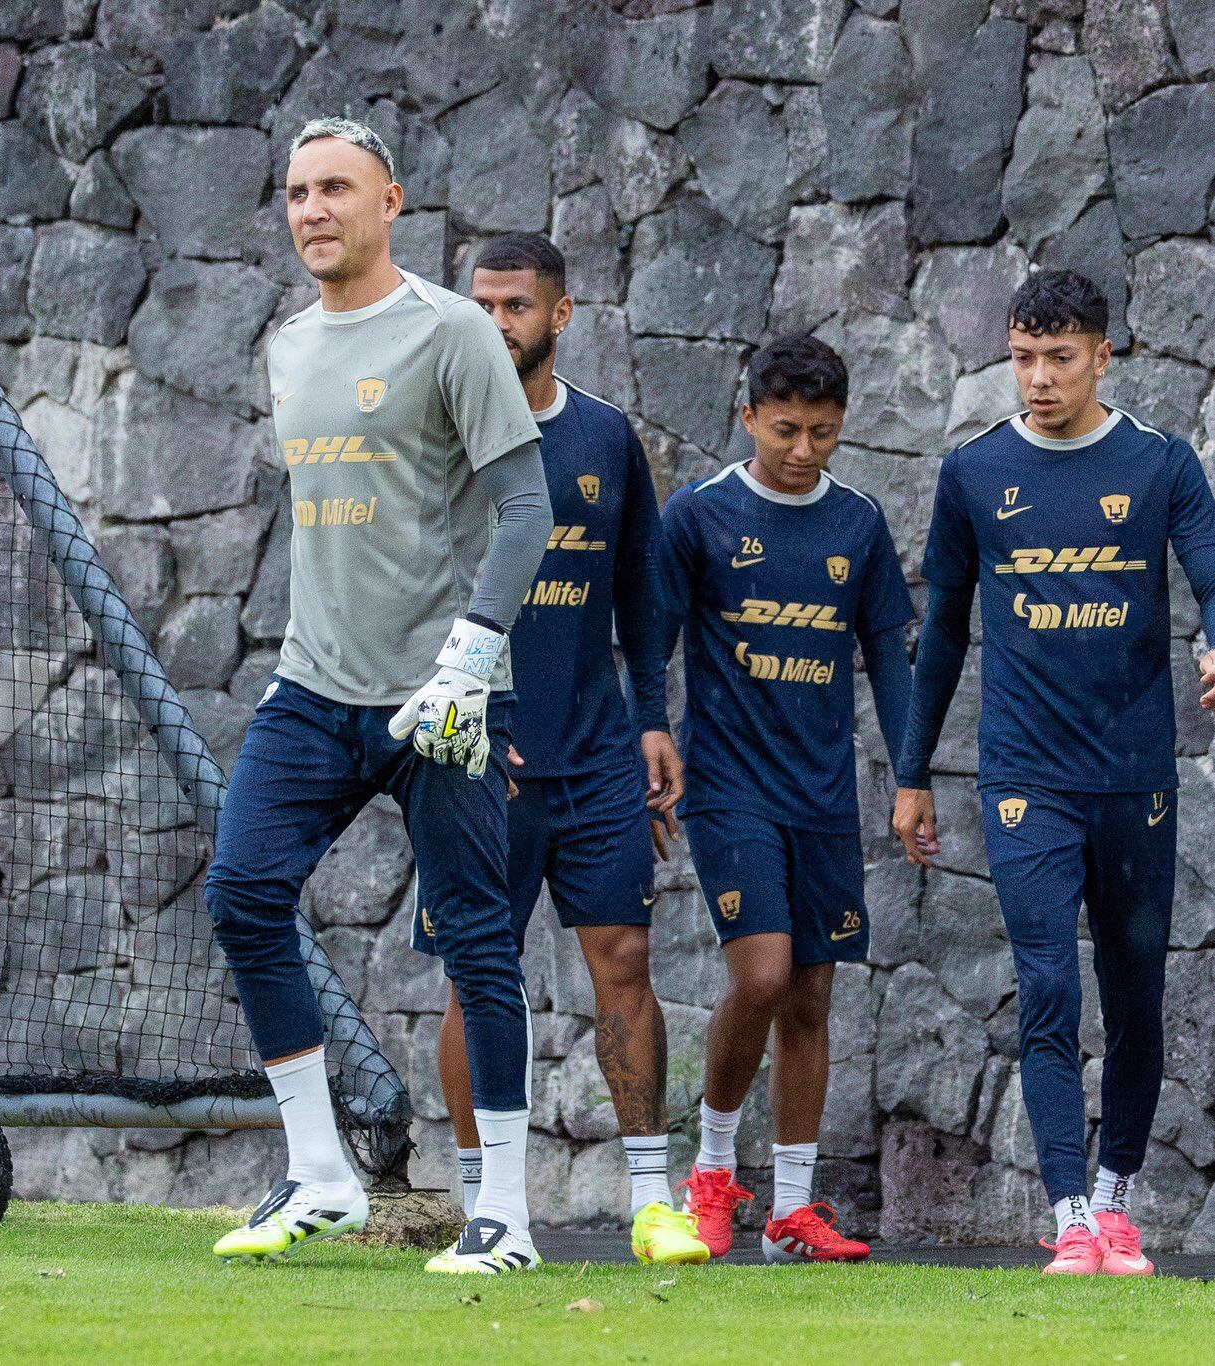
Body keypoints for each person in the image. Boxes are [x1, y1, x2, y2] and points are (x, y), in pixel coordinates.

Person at [204, 118, 552, 1274]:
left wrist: (472, 656)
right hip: (312, 688)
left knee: (477, 945)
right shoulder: (289, 346)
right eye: (297, 191)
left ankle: (504, 1214)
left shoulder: (453, 332)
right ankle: (319, 1174)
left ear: (389, 201)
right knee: (242, 893)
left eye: (336, 188)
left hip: (439, 698)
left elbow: (524, 511)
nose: (313, 209)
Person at [892, 270, 1215, 1277]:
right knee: (1047, 984)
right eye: (1022, 358)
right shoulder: (974, 473)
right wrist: (913, 772)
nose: (1039, 378)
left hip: (1133, 777)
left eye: (1059, 358)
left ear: (1102, 355)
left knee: (1135, 998)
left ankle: (1116, 1200)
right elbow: (942, 636)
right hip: (1024, 777)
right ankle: (1069, 1215)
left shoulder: (1158, 463)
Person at [422, 231, 708, 1266]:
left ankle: (652, 1201)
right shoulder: (438, 428)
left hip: (593, 755)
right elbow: (407, 583)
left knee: (625, 959)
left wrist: (651, 719)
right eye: (482, 305)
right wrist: (447, 724)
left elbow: (640, 592)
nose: (498, 323)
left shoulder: (603, 435)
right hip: (475, 757)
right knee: (475, 975)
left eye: (516, 306)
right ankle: (484, 1203)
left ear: (560, 314)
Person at [654, 336, 915, 1263]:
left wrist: (912, 775)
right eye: (786, 430)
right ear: (749, 418)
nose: (803, 450)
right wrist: (649, 732)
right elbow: (650, 639)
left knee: (810, 995)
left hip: (823, 796)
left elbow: (890, 659)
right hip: (729, 787)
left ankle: (791, 1214)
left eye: (823, 433)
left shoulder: (858, 522)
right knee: (761, 976)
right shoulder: (700, 515)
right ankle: (712, 1172)